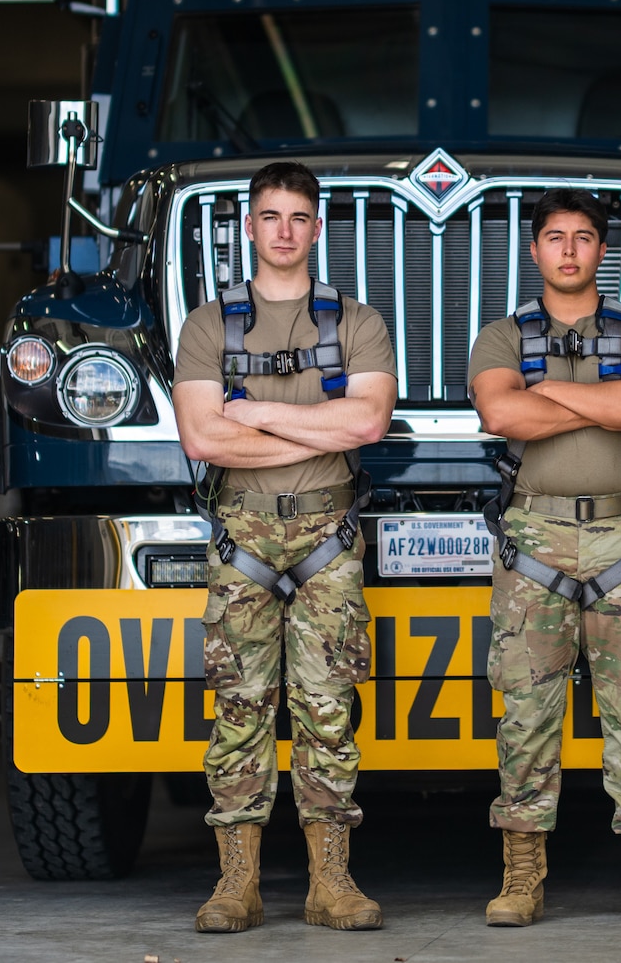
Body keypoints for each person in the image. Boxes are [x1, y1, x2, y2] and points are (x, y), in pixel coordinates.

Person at [173, 161, 397, 933]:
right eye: (271, 216)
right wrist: (314, 424)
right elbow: (203, 436)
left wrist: (256, 412)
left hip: (326, 538)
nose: (285, 231)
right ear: (251, 225)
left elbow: (366, 427)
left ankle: (330, 882)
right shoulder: (210, 324)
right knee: (240, 709)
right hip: (244, 536)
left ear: (316, 227)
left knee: (328, 709)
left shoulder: (358, 321)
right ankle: (237, 883)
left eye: (299, 217)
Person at [467, 187, 621, 928]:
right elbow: (499, 413)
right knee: (527, 715)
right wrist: (600, 392)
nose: (568, 248)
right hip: (534, 540)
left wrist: (548, 393)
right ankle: (522, 875)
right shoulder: (499, 337)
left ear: (602, 249)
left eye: (584, 236)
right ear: (533, 250)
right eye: (554, 236)